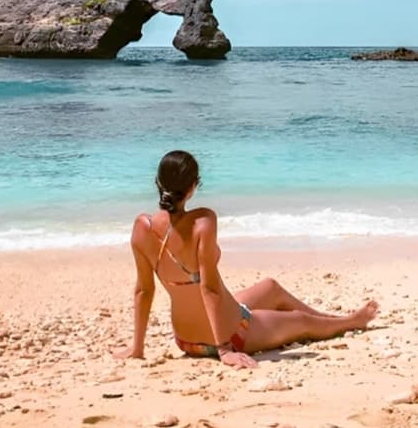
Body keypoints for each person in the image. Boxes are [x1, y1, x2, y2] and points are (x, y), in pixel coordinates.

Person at [114, 150, 378, 369]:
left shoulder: (142, 227)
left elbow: (144, 290)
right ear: (193, 187)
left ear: (158, 183)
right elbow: (209, 288)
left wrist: (137, 348)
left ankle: (330, 317)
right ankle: (350, 322)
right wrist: (224, 349)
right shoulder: (203, 221)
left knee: (271, 287)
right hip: (231, 333)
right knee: (300, 321)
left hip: (185, 339)